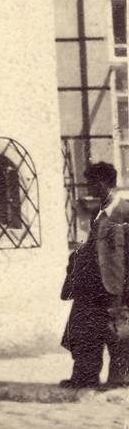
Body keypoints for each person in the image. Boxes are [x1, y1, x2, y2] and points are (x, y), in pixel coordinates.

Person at [61, 162, 129, 387]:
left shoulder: (125, 212)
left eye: (91, 184)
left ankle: (120, 381)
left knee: (118, 334)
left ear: (102, 183)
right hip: (92, 286)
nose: (88, 189)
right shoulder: (96, 214)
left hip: (115, 286)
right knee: (85, 332)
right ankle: (85, 377)